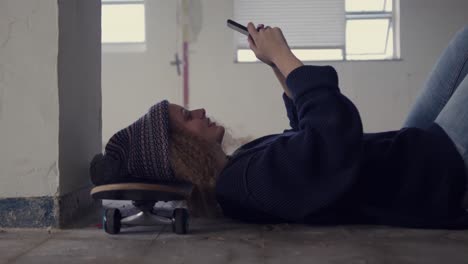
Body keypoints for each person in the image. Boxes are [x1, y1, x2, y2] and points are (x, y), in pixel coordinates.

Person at [93, 23, 468, 228]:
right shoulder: (245, 185)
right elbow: (331, 138)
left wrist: (276, 69)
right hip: (440, 175)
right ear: (181, 151)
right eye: (187, 117)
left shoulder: (238, 167)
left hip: (413, 152)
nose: (200, 111)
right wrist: (285, 57)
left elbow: (302, 142)